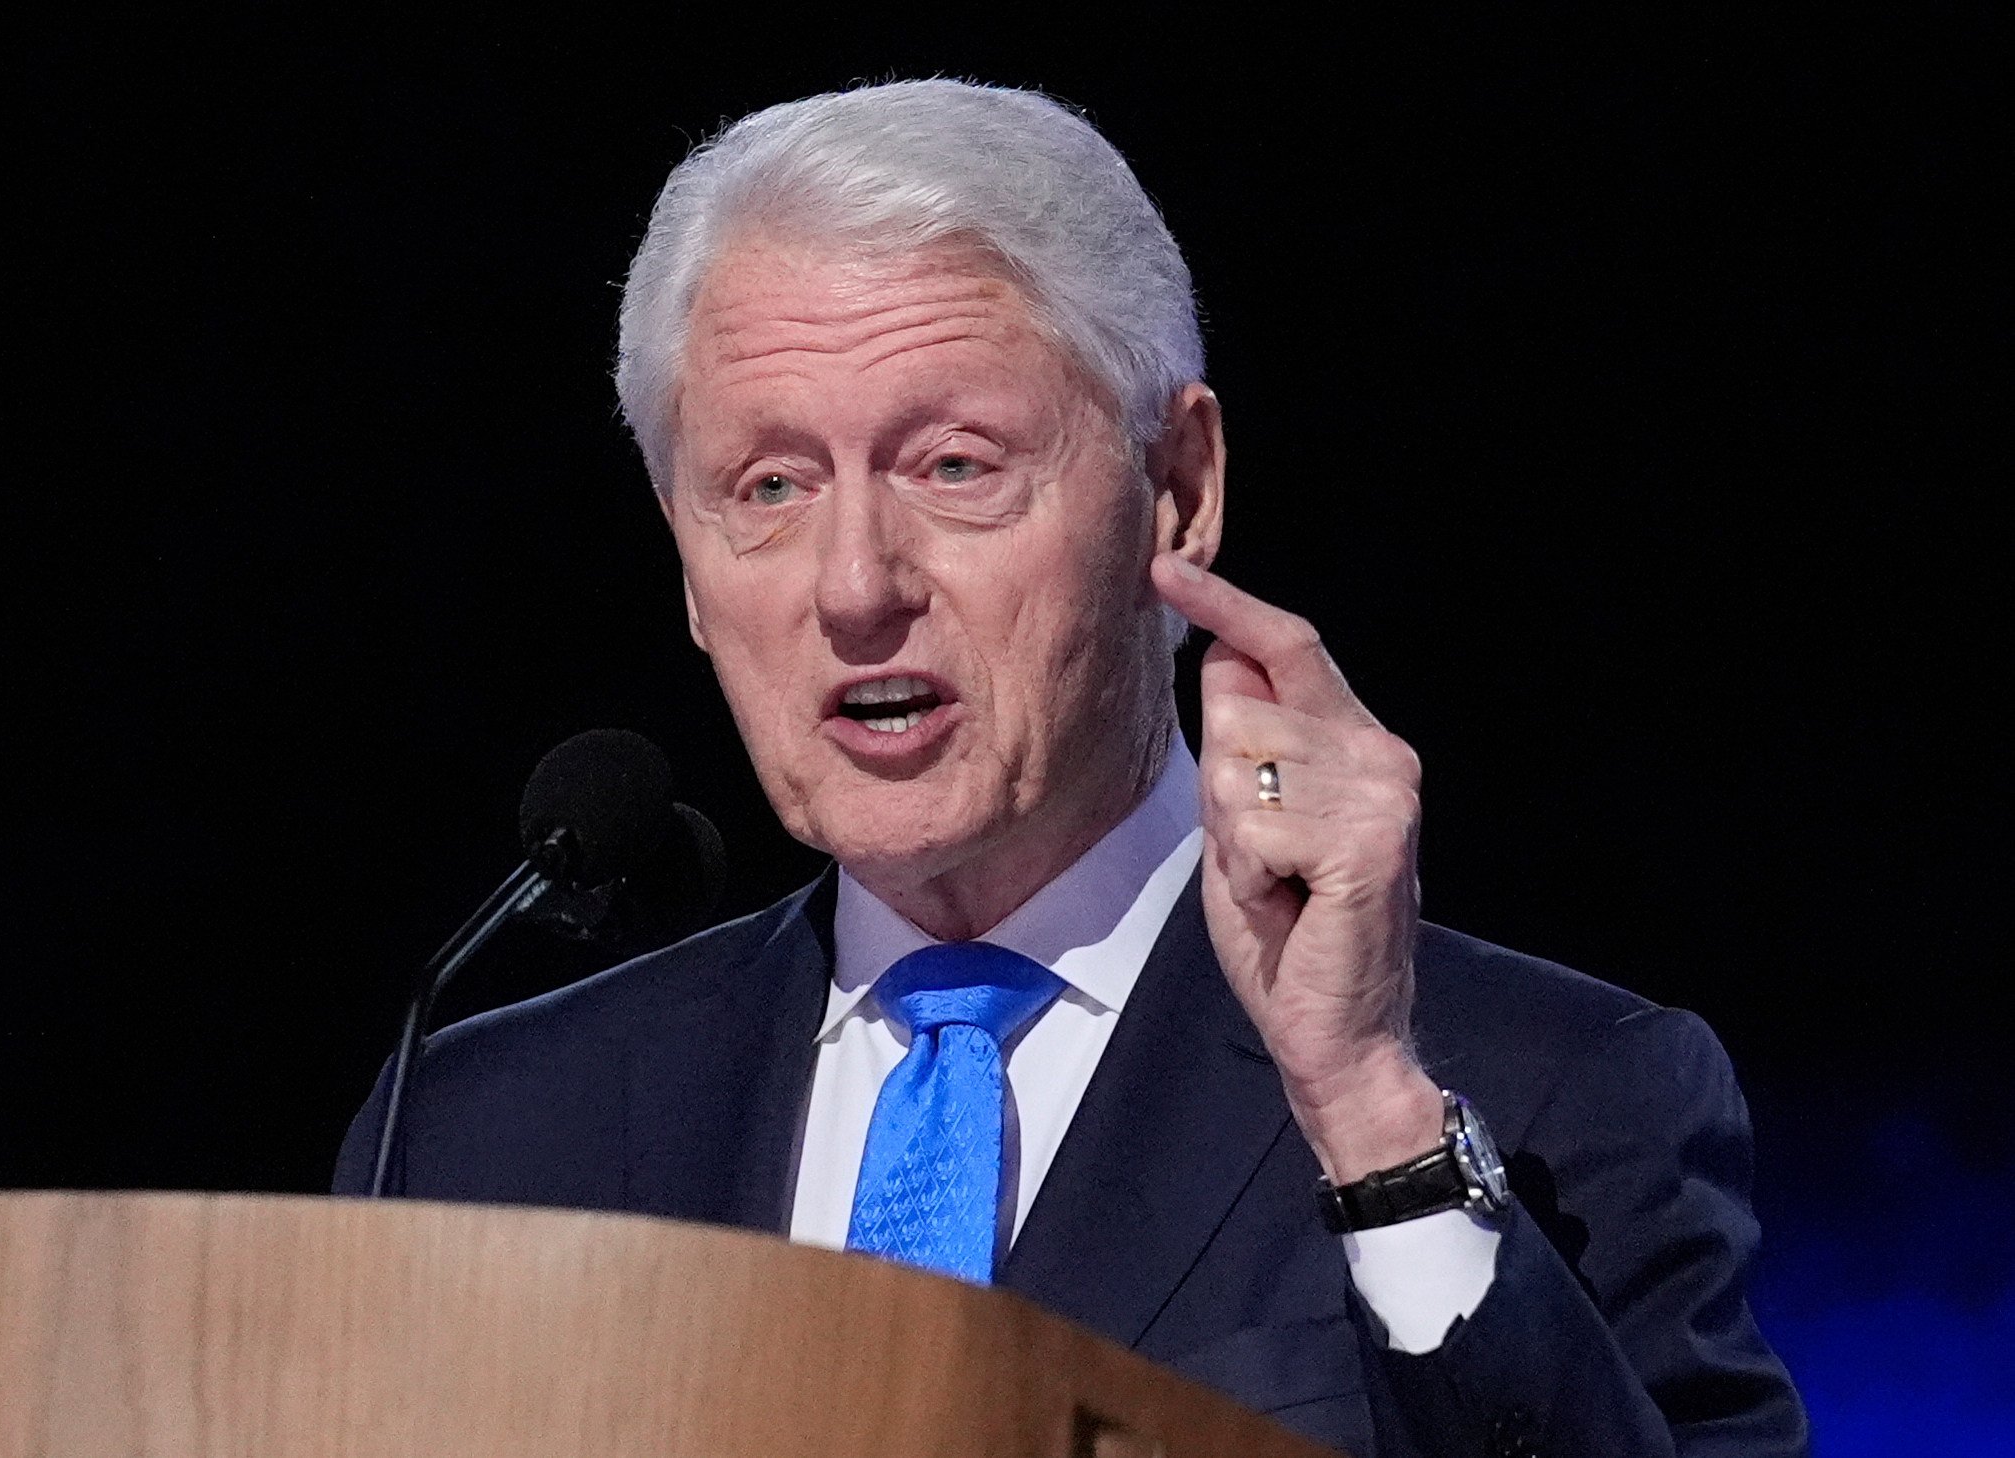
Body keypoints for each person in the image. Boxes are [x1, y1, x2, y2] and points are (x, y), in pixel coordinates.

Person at [337, 80, 1804, 1456]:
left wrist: (1366, 1115)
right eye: (769, 487)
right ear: (686, 557)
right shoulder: (479, 1135)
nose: (854, 584)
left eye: (954, 464)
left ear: (1176, 491)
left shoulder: (1548, 1091)